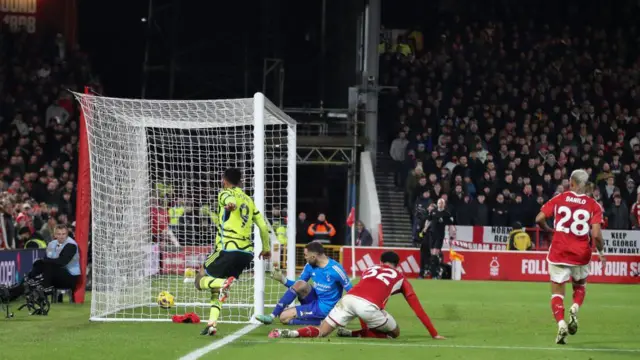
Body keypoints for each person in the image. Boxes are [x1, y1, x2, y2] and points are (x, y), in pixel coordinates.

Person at [267, 251, 445, 340]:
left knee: (322, 332)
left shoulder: (369, 269)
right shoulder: (400, 277)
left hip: (347, 299)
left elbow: (359, 291)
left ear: (381, 263)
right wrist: (434, 333)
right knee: (395, 332)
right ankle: (356, 333)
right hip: (367, 307)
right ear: (396, 266)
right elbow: (417, 309)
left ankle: (289, 333)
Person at [194, 168, 271, 336]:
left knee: (199, 279)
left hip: (227, 248)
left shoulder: (225, 193)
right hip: (245, 254)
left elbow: (228, 200)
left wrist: (230, 204)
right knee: (218, 290)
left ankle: (221, 284)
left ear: (224, 181)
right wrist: (266, 248)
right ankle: (212, 323)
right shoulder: (249, 201)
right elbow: (263, 227)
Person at [535, 169, 605, 345]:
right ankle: (574, 308)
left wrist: (549, 230)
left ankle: (560, 324)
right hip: (581, 253)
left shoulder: (560, 198)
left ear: (571, 183)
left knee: (557, 292)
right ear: (585, 185)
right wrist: (601, 252)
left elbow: (539, 218)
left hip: (559, 252)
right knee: (580, 285)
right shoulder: (594, 205)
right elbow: (596, 235)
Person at [256, 241, 352, 326]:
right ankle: (272, 316)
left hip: (325, 308)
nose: (305, 257)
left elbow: (352, 292)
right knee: (301, 283)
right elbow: (297, 285)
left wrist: (344, 312)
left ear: (313, 256)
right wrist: (283, 279)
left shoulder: (336, 270)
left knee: (283, 317)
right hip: (315, 300)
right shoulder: (309, 266)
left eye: (306, 255)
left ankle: (322, 322)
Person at [426, 198, 455, 279]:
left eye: (442, 203)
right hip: (432, 235)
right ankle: (436, 271)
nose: (440, 204)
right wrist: (425, 228)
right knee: (432, 255)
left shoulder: (446, 214)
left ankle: (434, 274)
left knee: (434, 254)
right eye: (439, 203)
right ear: (437, 204)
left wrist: (451, 236)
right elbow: (428, 220)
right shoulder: (433, 211)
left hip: (439, 236)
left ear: (444, 204)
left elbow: (451, 226)